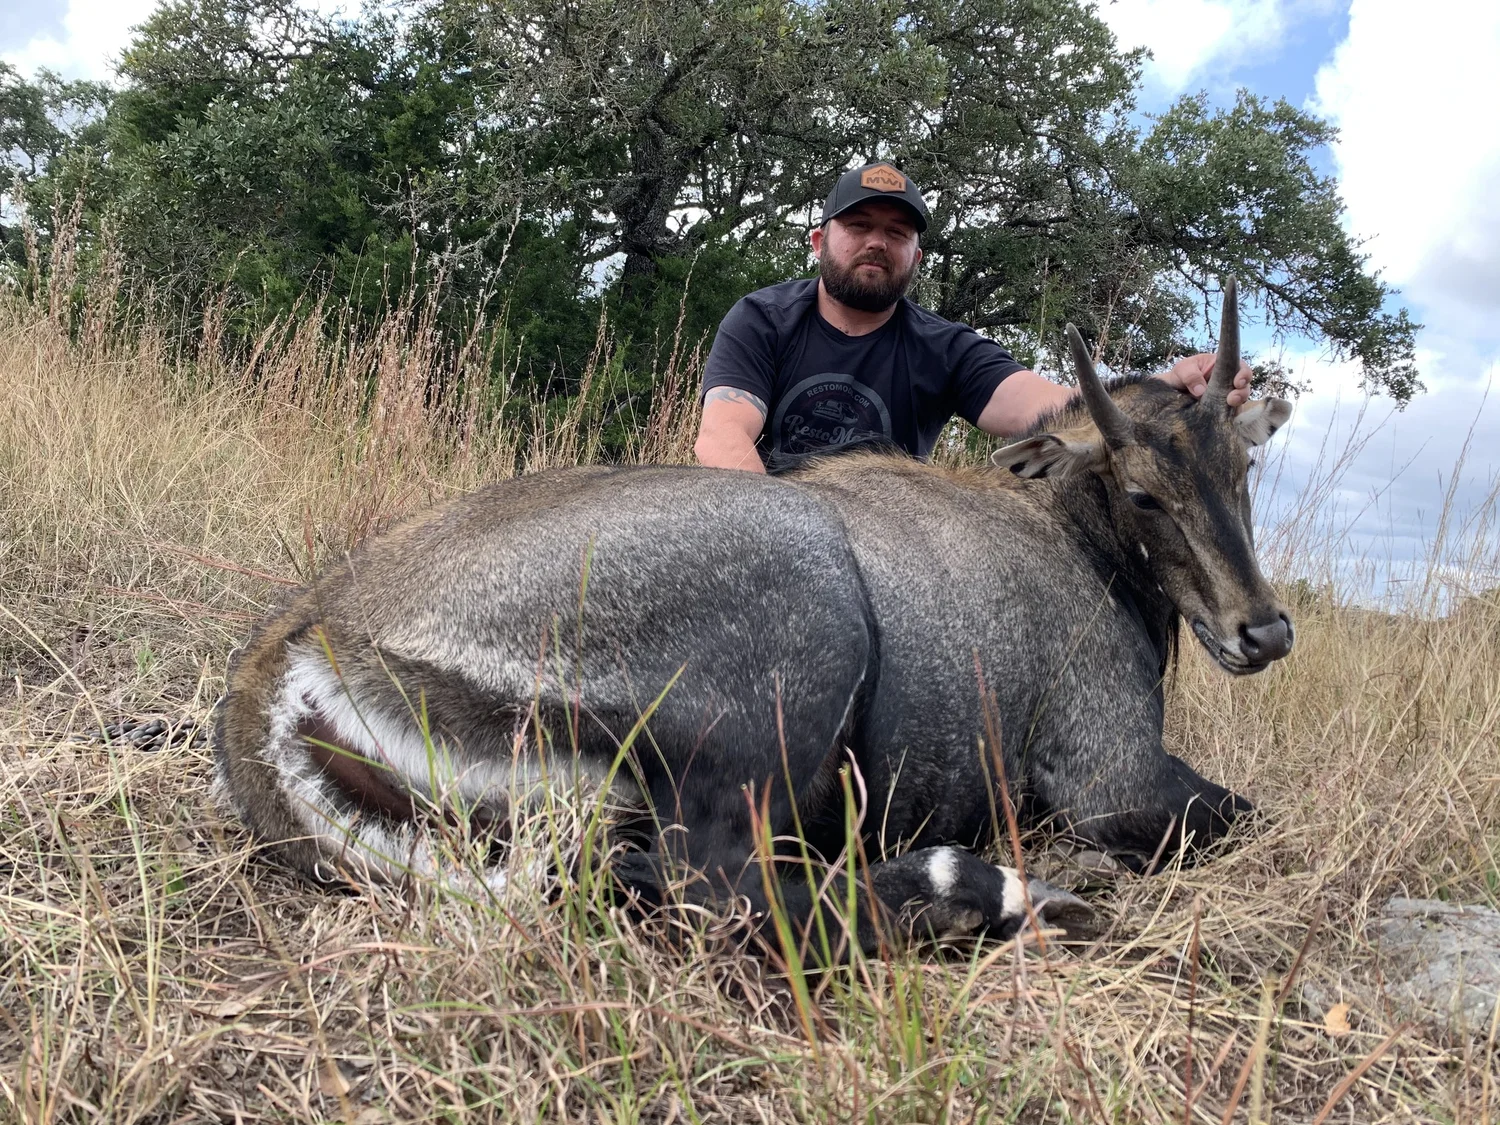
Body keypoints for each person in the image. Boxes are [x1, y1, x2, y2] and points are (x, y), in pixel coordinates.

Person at [695, 162, 1250, 473]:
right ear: (819, 241)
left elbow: (1052, 407)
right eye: (858, 225)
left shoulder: (944, 347)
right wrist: (790, 542)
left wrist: (1160, 390)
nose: (876, 243)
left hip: (888, 546)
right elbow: (721, 439)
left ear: (917, 256)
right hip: (767, 524)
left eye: (896, 233)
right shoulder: (762, 320)